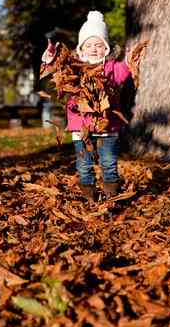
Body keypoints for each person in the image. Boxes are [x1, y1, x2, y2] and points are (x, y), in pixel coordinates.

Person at [41, 10, 131, 200]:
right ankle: (88, 193)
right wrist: (50, 57)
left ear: (105, 48)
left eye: (99, 45)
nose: (93, 49)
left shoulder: (111, 67)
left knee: (108, 161)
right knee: (84, 163)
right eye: (88, 45)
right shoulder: (74, 67)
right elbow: (57, 68)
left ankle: (111, 194)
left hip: (107, 125)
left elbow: (123, 73)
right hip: (80, 126)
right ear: (81, 48)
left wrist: (130, 63)